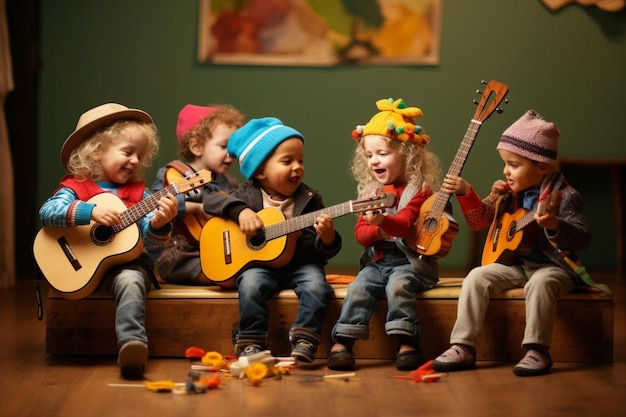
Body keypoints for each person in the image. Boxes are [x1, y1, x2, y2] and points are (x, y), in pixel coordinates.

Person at [432, 110, 596, 377]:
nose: (506, 171)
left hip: (553, 266)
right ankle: (463, 345)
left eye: (514, 165)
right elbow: (479, 222)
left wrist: (554, 224)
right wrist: (469, 193)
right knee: (476, 277)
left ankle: (537, 350)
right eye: (505, 163)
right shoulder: (510, 195)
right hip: (515, 265)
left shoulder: (565, 197)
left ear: (542, 167)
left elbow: (582, 236)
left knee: (540, 283)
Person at [38, 103, 178, 378]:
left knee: (131, 280)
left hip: (126, 267)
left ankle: (132, 345)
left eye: (140, 155)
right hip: (82, 266)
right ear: (97, 151)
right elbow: (47, 212)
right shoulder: (76, 187)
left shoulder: (141, 194)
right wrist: (90, 211)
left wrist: (160, 224)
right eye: (128, 152)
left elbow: (148, 242)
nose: (136, 161)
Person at [202, 117, 342, 364]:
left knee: (318, 287)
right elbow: (211, 201)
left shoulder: (309, 199)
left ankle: (305, 337)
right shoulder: (246, 193)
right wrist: (240, 211)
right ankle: (251, 341)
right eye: (287, 161)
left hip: (300, 265)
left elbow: (319, 253)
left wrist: (327, 239)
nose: (297, 167)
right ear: (259, 170)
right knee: (250, 284)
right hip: (260, 265)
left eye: (300, 160)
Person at [327, 98, 442, 371]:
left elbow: (403, 225)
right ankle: (343, 342)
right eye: (369, 155)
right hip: (378, 263)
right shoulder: (370, 195)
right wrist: (377, 227)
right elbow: (361, 235)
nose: (374, 161)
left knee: (398, 286)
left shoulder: (420, 191)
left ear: (407, 154)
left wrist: (380, 222)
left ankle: (406, 342)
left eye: (382, 154)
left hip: (412, 263)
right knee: (359, 287)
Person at [150, 104, 244, 285]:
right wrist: (198, 207)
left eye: (233, 149)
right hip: (180, 254)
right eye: (224, 146)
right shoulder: (175, 175)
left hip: (218, 249)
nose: (230, 155)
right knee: (228, 276)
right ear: (196, 146)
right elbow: (156, 204)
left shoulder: (228, 182)